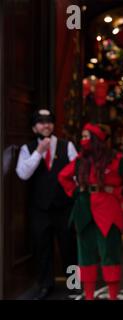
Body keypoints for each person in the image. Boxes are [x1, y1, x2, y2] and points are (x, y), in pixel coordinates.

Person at [58, 123, 123, 300]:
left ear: (95, 140)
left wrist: (119, 192)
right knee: (86, 257)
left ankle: (113, 296)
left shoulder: (115, 159)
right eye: (82, 137)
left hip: (108, 212)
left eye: (85, 137)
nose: (82, 141)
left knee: (110, 255)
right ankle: (89, 296)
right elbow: (63, 176)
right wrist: (76, 191)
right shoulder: (80, 160)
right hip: (84, 211)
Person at [16, 109, 78, 300]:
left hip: (64, 206)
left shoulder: (66, 146)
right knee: (42, 247)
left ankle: (73, 283)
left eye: (49, 121)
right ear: (34, 127)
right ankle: (45, 285)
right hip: (40, 209)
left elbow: (77, 173)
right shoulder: (28, 148)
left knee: (69, 246)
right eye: (41, 122)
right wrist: (39, 152)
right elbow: (23, 174)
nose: (46, 125)